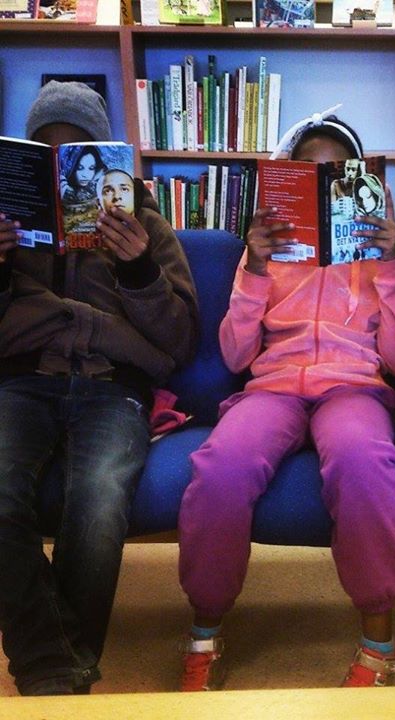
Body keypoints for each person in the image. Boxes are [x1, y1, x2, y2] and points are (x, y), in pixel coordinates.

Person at [177, 109, 395, 691]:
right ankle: (204, 632)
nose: (324, 184)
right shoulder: (261, 254)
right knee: (220, 466)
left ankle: (379, 641)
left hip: (353, 385)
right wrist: (256, 269)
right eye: (308, 172)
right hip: (275, 386)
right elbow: (235, 355)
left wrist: (390, 266)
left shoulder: (383, 256)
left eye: (337, 172)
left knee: (362, 459)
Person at [0, 80, 199, 696]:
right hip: (23, 380)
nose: (70, 172)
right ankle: (59, 667)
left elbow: (180, 342)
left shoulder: (148, 226)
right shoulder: (10, 224)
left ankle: (57, 678)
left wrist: (138, 269)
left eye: (80, 153)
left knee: (99, 499)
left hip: (113, 387)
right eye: (49, 152)